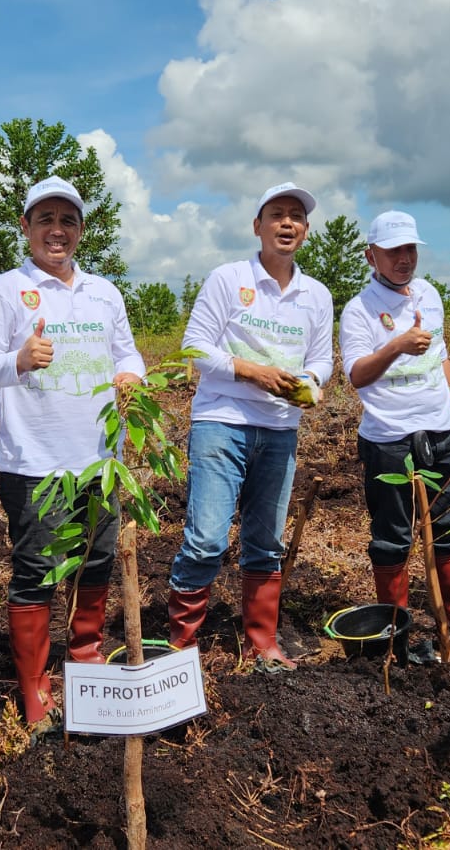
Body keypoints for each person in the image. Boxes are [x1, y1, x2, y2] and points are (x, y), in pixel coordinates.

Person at [0, 176, 144, 734]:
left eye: (68, 220)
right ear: (26, 227)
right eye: (45, 219)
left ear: (81, 230)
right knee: (37, 571)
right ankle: (36, 688)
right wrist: (18, 360)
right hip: (35, 463)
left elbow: (127, 353)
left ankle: (86, 660)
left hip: (100, 461)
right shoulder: (3, 291)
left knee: (96, 560)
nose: (57, 230)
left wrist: (130, 376)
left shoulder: (104, 293)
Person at [166, 182, 334, 672]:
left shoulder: (316, 295)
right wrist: (252, 372)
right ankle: (181, 645)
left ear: (306, 230)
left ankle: (263, 642)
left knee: (266, 542)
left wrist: (311, 382)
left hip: (280, 429)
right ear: (257, 226)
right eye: (277, 214)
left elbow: (322, 358)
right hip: (222, 423)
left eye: (296, 216)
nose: (287, 223)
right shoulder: (228, 279)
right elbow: (195, 348)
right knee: (206, 539)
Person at [338, 211, 450, 630]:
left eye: (410, 249)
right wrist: (396, 346)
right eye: (393, 251)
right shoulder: (359, 310)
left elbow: (441, 357)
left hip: (442, 432)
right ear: (371, 256)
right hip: (389, 440)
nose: (404, 258)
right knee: (392, 536)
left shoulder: (429, 295)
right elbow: (357, 375)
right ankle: (395, 628)